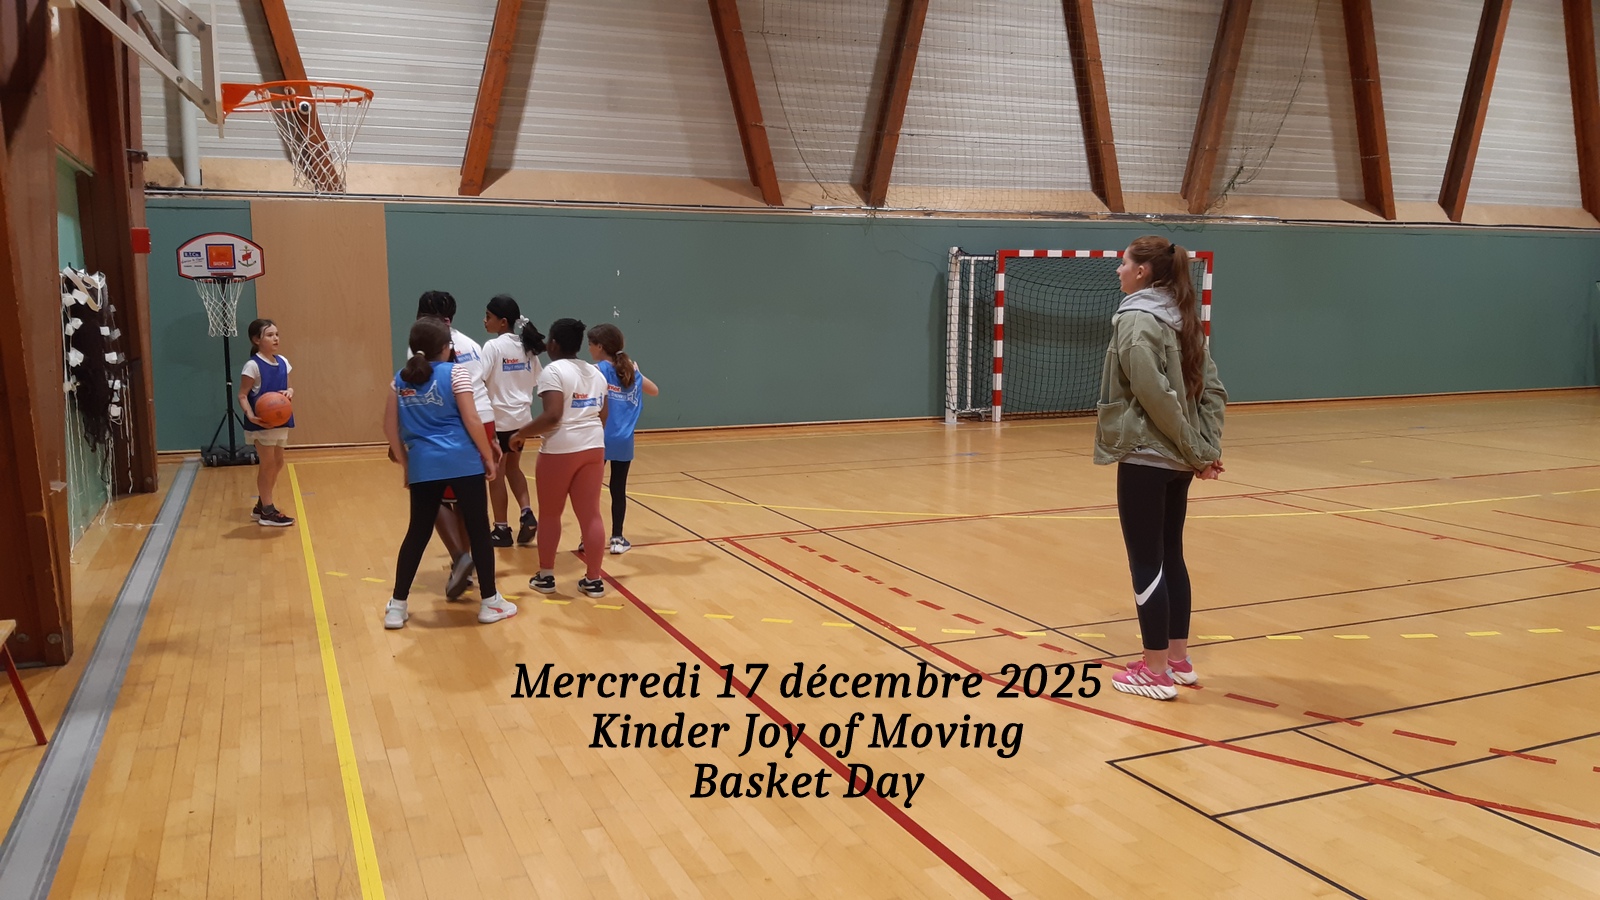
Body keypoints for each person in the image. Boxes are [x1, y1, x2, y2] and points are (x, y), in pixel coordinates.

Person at [1097, 236, 1227, 701]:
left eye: (1124, 263)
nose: (1118, 270)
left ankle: (1154, 672)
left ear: (1143, 272)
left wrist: (1197, 451)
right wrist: (1203, 450)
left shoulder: (1136, 320)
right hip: (1175, 461)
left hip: (1147, 457)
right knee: (1170, 553)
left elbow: (1156, 397)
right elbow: (1213, 392)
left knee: (1147, 561)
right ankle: (1177, 660)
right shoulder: (1183, 318)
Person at [382, 316, 515, 629]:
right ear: (446, 347)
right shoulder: (457, 372)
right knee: (479, 530)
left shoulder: (399, 380)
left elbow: (389, 428)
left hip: (424, 464)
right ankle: (490, 602)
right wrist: (488, 456)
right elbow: (472, 419)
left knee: (417, 533)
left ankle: (397, 606)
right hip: (463, 461)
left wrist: (406, 464)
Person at [512, 318, 609, 598]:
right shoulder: (596, 373)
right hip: (594, 447)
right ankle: (594, 580)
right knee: (591, 514)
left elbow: (552, 416)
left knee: (551, 514)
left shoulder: (553, 371)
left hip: (560, 450)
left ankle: (546, 576)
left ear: (553, 344)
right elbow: (603, 415)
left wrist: (520, 434)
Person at [414, 290, 493, 598]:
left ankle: (460, 558)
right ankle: (465, 564)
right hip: (483, 420)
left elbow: (424, 394)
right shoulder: (472, 343)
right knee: (466, 501)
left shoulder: (424, 346)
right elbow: (482, 386)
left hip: (453, 425)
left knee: (431, 496)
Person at [587, 323, 658, 554]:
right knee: (618, 490)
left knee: (590, 491)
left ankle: (588, 538)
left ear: (600, 346)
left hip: (599, 438)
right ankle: (617, 539)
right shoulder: (631, 371)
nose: (588, 348)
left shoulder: (596, 370)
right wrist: (638, 373)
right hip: (623, 441)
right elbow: (654, 390)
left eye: (590, 344)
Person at [481, 295, 544, 547]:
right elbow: (538, 380)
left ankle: (501, 529)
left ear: (503, 322)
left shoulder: (492, 347)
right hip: (522, 422)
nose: (484, 321)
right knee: (513, 468)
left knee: (496, 474)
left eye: (488, 316)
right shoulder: (527, 347)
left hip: (498, 422)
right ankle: (527, 513)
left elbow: (479, 379)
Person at [238, 318, 295, 527]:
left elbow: (289, 387)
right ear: (256, 340)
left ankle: (261, 504)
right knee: (268, 464)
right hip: (262, 423)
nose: (275, 338)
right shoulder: (252, 365)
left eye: (277, 334)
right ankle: (268, 512)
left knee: (278, 463)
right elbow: (242, 395)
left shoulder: (283, 362)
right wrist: (251, 416)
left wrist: (289, 392)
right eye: (270, 335)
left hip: (280, 420)